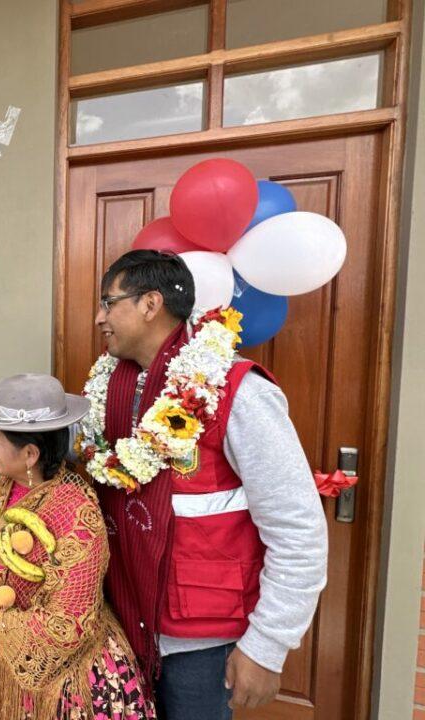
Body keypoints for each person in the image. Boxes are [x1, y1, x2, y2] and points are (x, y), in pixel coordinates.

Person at [87, 250, 328, 718]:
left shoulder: (236, 391)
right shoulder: (112, 389)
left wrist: (266, 646)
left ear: (150, 303)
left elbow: (298, 529)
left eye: (108, 302)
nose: (99, 317)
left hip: (201, 646)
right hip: (120, 624)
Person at [0, 373, 155, 719]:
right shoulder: (10, 485)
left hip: (64, 686)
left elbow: (67, 624)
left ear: (30, 454)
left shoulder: (76, 511)